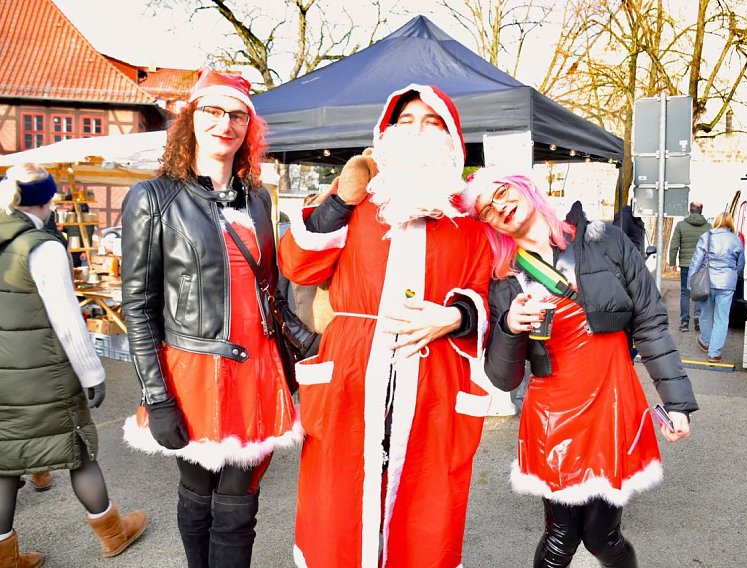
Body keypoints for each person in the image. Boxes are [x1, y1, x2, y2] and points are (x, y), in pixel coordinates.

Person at [279, 84, 493, 568]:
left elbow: (495, 293)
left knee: (425, 500)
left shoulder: (472, 220)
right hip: (352, 372)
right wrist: (339, 200)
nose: (418, 131)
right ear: (386, 133)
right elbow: (298, 266)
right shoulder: (356, 201)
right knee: (339, 498)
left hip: (434, 376)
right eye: (407, 120)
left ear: (452, 137)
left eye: (432, 121)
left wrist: (457, 316)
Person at [463, 168, 698, 568]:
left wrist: (677, 403)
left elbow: (650, 323)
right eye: (486, 209)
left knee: (601, 538)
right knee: (560, 537)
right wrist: (510, 326)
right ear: (487, 223)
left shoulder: (604, 240)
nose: (499, 206)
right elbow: (503, 377)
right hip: (552, 414)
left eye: (501, 192)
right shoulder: (503, 278)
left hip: (612, 400)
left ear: (524, 187)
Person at [120, 69, 301, 568]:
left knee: (240, 504)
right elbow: (137, 306)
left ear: (250, 127)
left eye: (238, 114)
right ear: (191, 119)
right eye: (213, 111)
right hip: (193, 369)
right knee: (197, 490)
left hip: (260, 368)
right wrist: (157, 398)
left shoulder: (260, 199)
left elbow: (273, 289)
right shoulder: (153, 198)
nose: (226, 123)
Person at [0, 163, 147, 567]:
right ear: (46, 202)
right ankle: (113, 535)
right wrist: (93, 374)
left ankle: (5, 557)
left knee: (5, 462)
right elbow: (67, 321)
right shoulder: (42, 246)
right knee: (80, 453)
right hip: (43, 372)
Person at [688, 211, 745, 363]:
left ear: (717, 222)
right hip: (727, 283)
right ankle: (714, 353)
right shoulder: (736, 239)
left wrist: (690, 282)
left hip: (707, 281)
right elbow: (741, 264)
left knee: (706, 314)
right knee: (722, 318)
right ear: (730, 223)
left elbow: (696, 261)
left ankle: (706, 342)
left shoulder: (707, 237)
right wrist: (733, 275)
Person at [669, 201, 711, 332]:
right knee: (699, 291)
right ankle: (698, 315)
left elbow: (674, 245)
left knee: (685, 292)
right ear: (701, 210)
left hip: (686, 265)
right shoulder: (709, 227)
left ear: (690, 210)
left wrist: (672, 263)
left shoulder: (681, 225)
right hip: (702, 265)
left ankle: (684, 322)